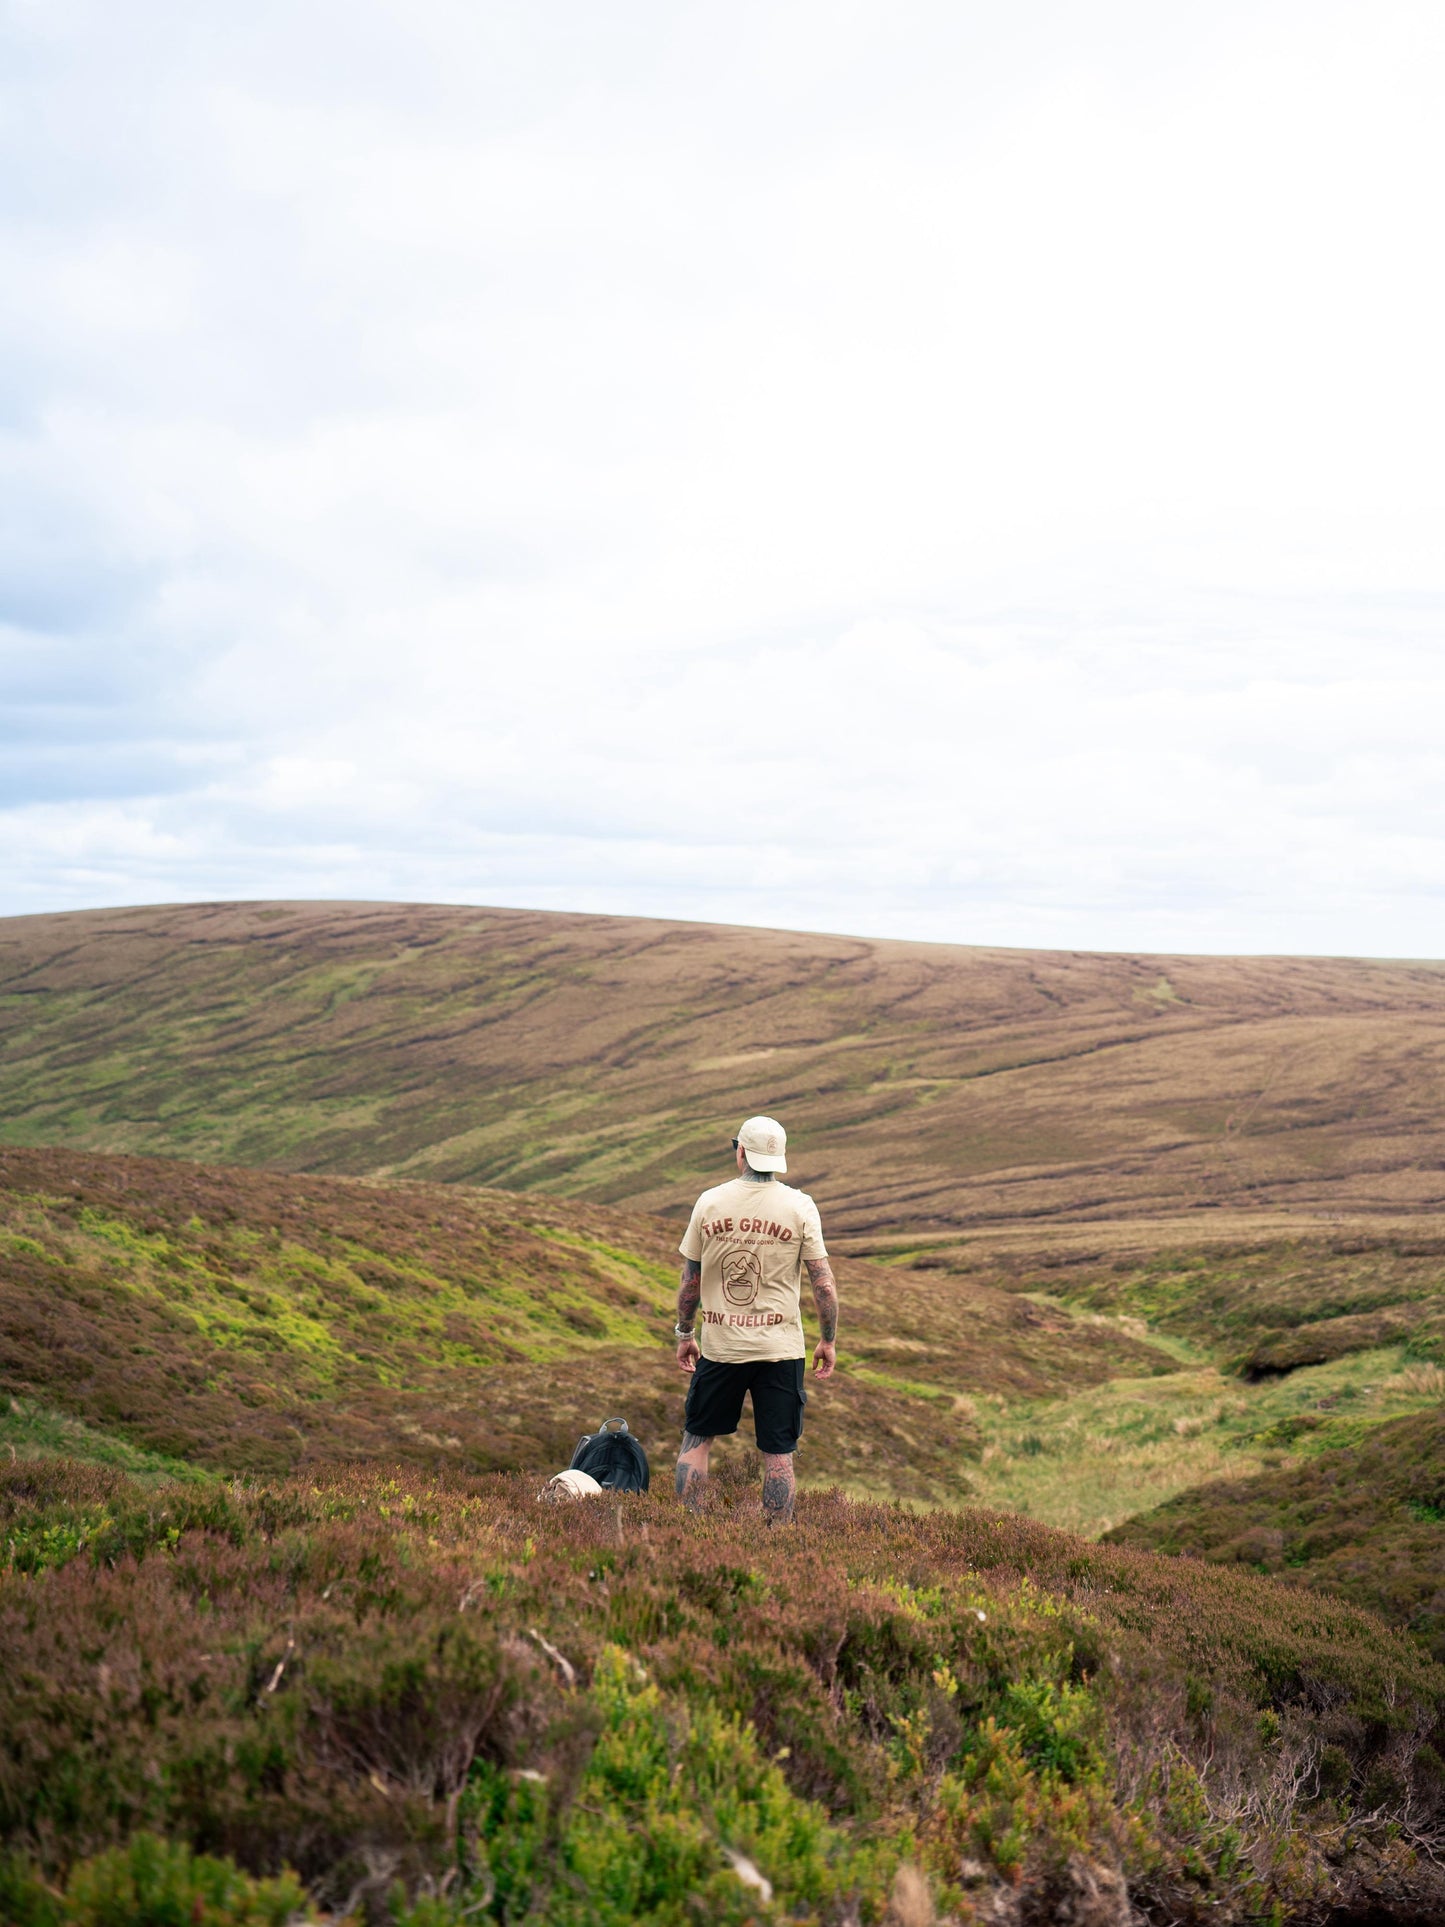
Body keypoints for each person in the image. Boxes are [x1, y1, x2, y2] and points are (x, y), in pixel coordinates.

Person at [673, 1114, 838, 1523]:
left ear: (741, 1152)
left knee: (697, 1440)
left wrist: (684, 1332)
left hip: (721, 1347)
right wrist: (828, 1340)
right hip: (780, 1351)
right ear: (779, 1157)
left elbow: (690, 1281)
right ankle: (775, 1537)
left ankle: (688, 1527)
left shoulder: (709, 1201)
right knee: (778, 1452)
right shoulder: (800, 1206)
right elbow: (824, 1285)